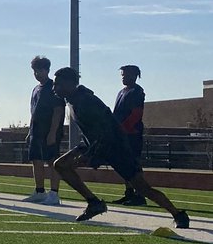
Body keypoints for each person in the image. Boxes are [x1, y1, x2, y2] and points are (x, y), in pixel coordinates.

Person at [51, 67, 188, 228]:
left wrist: (90, 155)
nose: (54, 88)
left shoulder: (86, 101)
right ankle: (94, 202)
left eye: (57, 84)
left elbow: (107, 130)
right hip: (93, 144)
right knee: (60, 165)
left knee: (142, 188)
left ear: (69, 83)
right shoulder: (72, 100)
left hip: (115, 147)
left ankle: (178, 214)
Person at [24, 55, 65, 205]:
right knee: (36, 160)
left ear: (47, 70)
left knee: (52, 161)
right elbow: (33, 111)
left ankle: (54, 194)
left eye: (39, 70)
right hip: (36, 131)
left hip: (49, 131)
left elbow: (58, 110)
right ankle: (39, 191)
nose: (37, 74)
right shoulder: (35, 89)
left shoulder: (53, 87)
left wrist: (53, 133)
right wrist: (30, 130)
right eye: (34, 71)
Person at [111, 64, 146, 205]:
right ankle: (129, 192)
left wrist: (125, 128)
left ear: (134, 76)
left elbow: (136, 113)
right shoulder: (121, 92)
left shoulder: (137, 92)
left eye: (126, 75)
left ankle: (140, 194)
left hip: (132, 134)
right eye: (122, 75)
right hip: (121, 133)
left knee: (134, 164)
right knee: (124, 164)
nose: (123, 77)